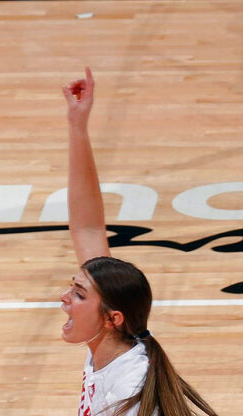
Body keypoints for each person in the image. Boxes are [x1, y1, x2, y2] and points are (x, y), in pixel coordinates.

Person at [60, 67, 218, 416]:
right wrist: (77, 127)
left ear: (111, 318)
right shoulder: (113, 346)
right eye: (74, 288)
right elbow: (87, 228)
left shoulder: (130, 387)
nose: (64, 298)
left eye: (78, 294)